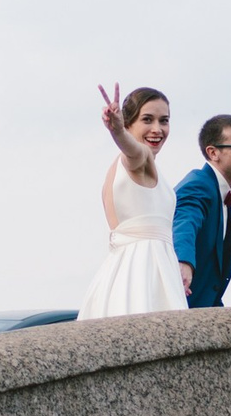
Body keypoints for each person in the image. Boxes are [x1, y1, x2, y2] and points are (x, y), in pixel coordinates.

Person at [76, 84, 189, 319]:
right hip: (141, 273)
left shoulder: (134, 169)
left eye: (164, 121)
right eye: (147, 120)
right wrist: (117, 132)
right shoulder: (139, 159)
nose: (157, 129)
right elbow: (135, 152)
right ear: (128, 124)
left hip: (131, 271)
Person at [174, 114, 231, 308]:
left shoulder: (219, 192)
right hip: (183, 307)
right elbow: (185, 221)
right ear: (213, 152)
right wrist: (183, 261)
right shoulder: (198, 185)